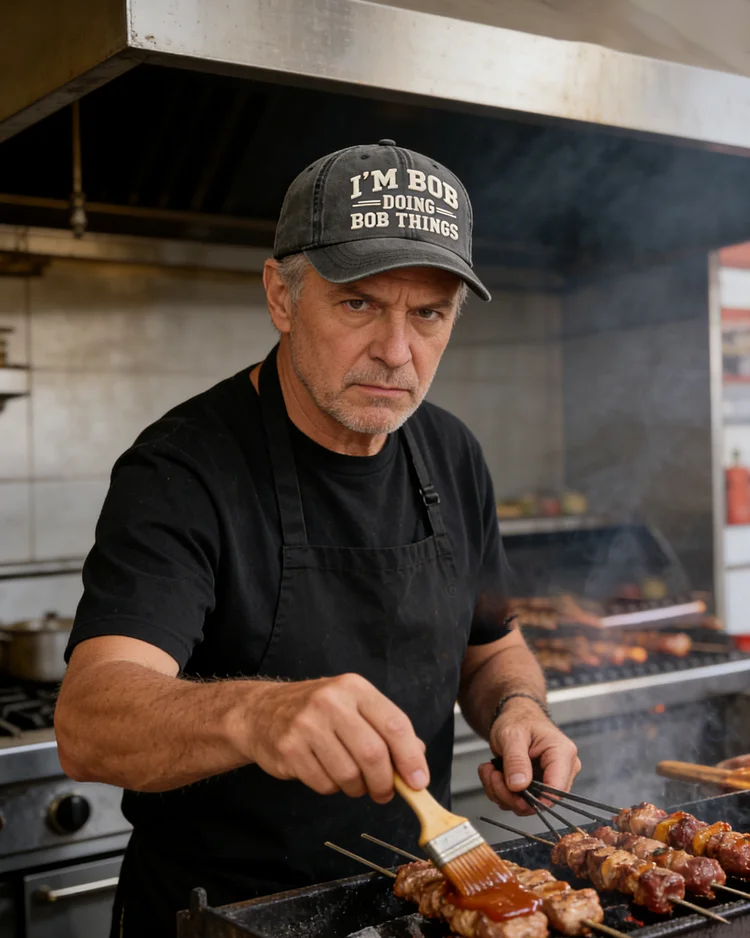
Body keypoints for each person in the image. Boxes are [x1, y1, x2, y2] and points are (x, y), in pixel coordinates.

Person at [54, 140, 580, 938]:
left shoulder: (453, 453)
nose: (397, 352)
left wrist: (518, 708)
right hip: (220, 915)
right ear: (280, 294)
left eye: (429, 314)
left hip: (408, 901)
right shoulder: (182, 468)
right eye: (359, 303)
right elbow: (89, 721)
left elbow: (493, 644)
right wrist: (254, 716)